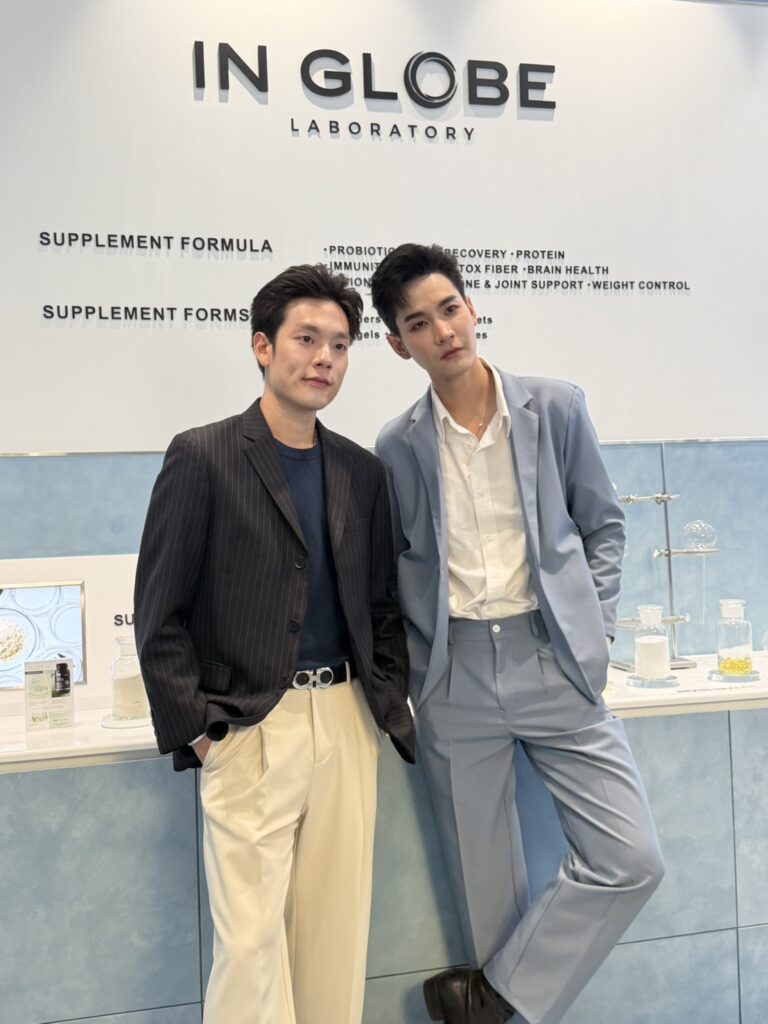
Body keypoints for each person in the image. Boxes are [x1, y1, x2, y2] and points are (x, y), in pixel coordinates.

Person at [371, 244, 664, 1024]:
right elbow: (392, 569)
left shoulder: (555, 407)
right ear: (398, 344)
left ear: (472, 308)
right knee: (488, 897)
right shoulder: (396, 446)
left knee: (631, 858)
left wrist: (595, 634)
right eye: (419, 324)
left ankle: (490, 999)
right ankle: (494, 999)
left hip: (552, 657)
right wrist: (416, 681)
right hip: (455, 676)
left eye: (450, 309)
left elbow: (603, 527)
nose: (443, 332)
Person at [134, 263, 414, 1024]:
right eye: (306, 339)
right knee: (251, 949)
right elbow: (159, 613)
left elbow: (382, 606)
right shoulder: (203, 456)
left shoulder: (362, 471)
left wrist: (380, 701)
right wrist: (203, 732)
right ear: (263, 347)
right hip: (250, 726)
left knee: (333, 938)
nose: (324, 358)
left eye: (340, 345)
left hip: (345, 720)